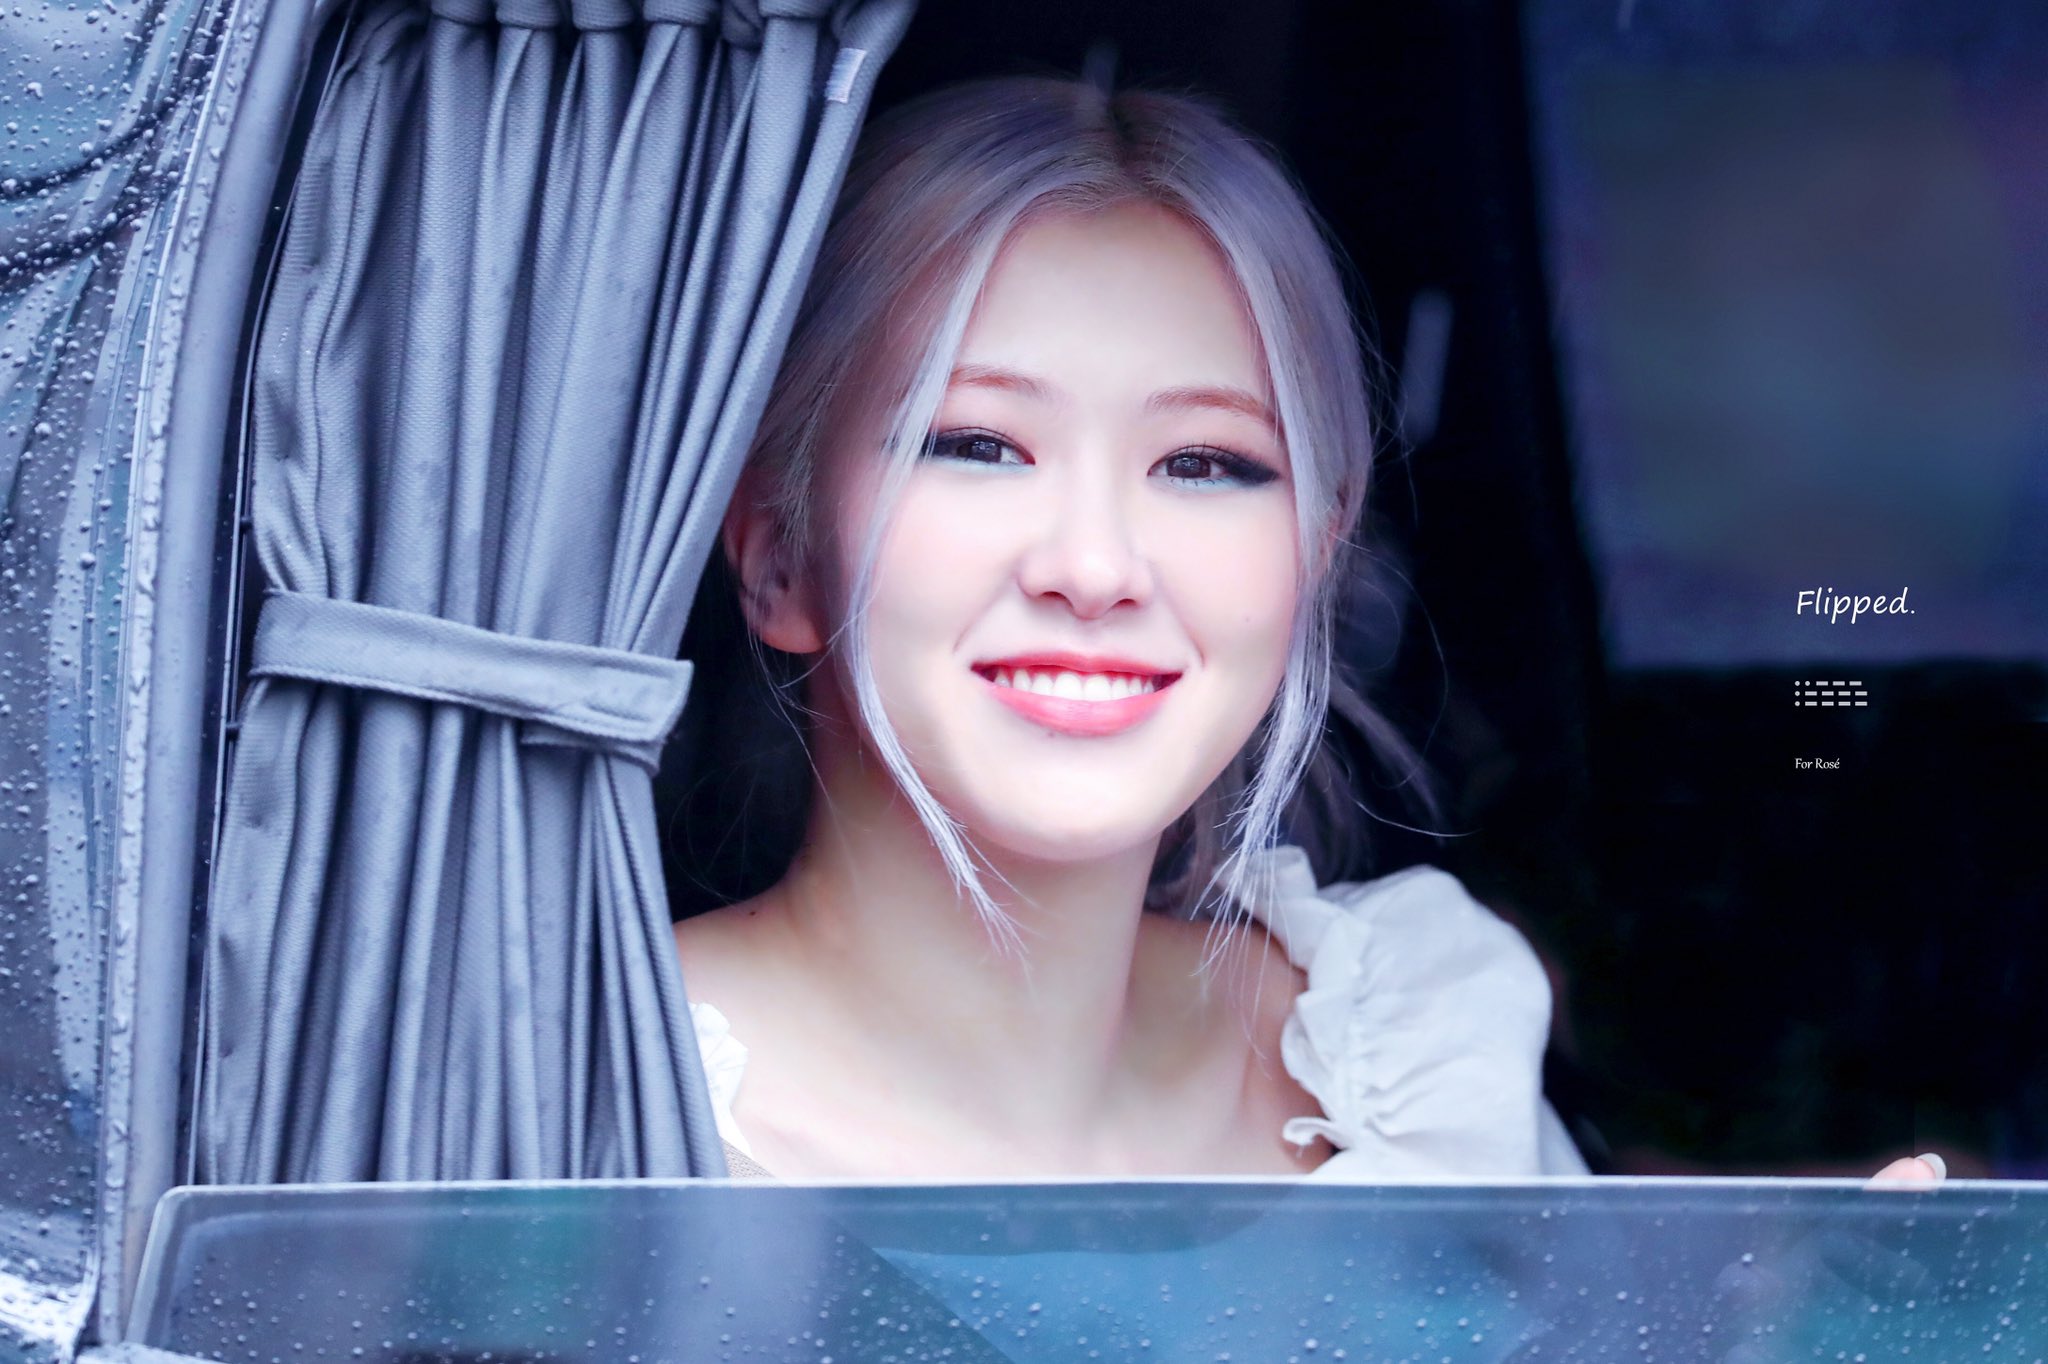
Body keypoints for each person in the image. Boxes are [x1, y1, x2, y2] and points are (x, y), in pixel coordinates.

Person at [670, 73, 1942, 1188]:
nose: (1095, 566)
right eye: (976, 444)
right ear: (777, 554)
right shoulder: (598, 1092)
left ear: (1314, 561)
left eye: (1205, 462)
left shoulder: (1415, 1070)